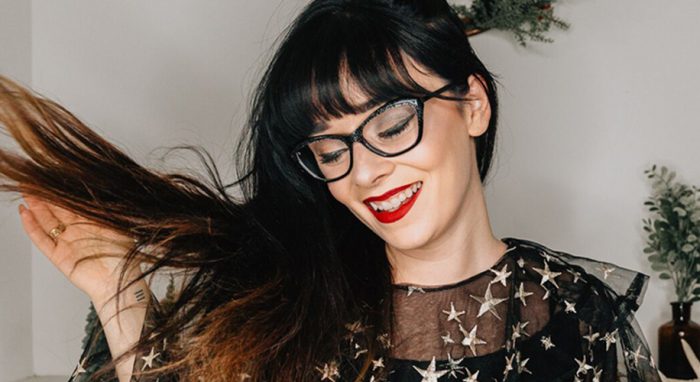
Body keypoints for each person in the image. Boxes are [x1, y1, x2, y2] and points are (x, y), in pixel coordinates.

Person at [0, 0, 661, 381]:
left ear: (474, 105)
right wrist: (122, 292)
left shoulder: (582, 318)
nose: (366, 171)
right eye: (331, 148)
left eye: (393, 121)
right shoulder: (294, 310)